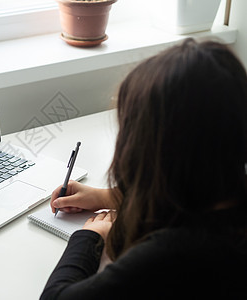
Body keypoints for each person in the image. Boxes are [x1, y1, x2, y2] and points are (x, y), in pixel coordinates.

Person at [41, 38, 247, 299]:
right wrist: (107, 196)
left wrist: (90, 237)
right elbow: (189, 196)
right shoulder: (230, 197)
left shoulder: (169, 255)